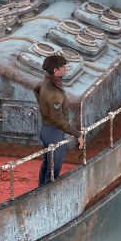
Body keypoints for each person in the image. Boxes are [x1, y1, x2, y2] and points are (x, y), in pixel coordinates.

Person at [34, 54, 84, 187]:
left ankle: (40, 189)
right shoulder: (54, 93)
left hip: (47, 129)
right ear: (56, 70)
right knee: (54, 168)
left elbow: (36, 89)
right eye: (63, 67)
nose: (65, 69)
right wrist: (77, 134)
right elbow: (58, 120)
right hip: (54, 132)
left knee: (47, 164)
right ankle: (46, 193)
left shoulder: (46, 82)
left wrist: (44, 106)